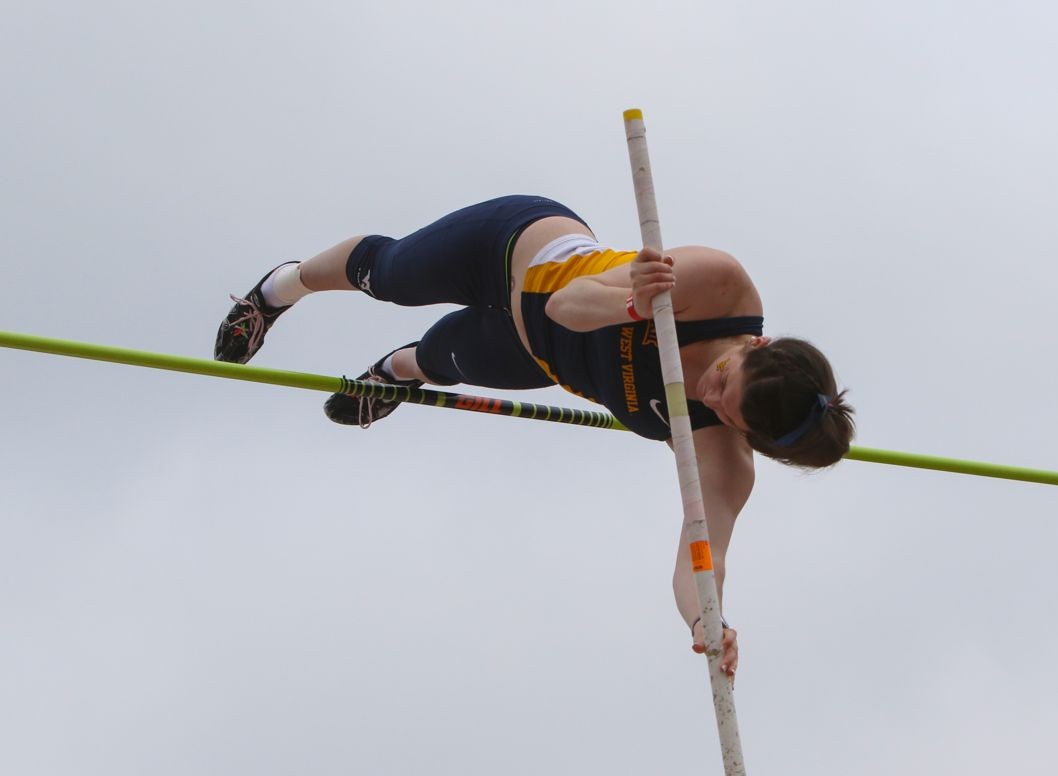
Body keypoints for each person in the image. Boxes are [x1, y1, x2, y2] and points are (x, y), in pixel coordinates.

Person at [214, 195, 854, 678]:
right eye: (721, 376)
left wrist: (706, 621)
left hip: (535, 357)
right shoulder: (718, 286)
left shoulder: (722, 456)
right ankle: (279, 289)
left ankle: (389, 374)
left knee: (435, 361)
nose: (708, 397)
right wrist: (632, 304)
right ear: (758, 345)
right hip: (518, 255)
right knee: (390, 275)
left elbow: (698, 559)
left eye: (724, 410)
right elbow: (567, 307)